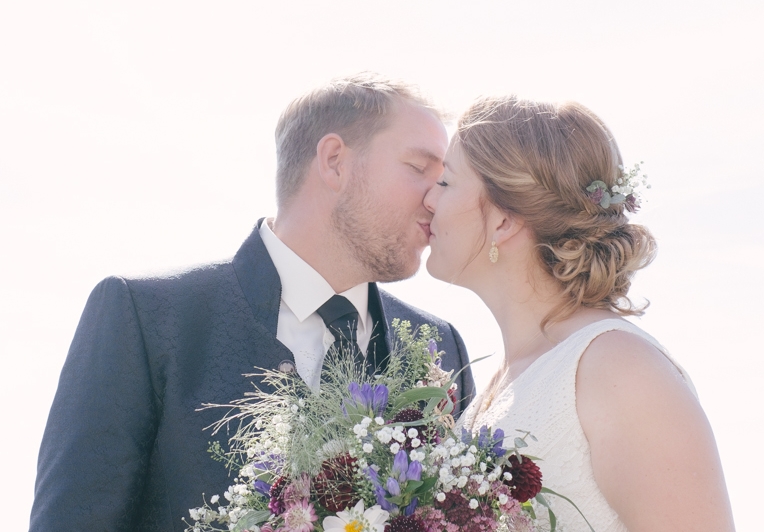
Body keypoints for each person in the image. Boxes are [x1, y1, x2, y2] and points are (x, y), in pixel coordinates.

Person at [30, 74, 474, 532]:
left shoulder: (443, 348)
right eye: (419, 169)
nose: (435, 198)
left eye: (443, 180)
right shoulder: (145, 318)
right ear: (335, 161)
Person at [424, 95, 735, 532]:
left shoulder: (619, 368)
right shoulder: (503, 379)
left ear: (503, 220)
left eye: (445, 182)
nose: (427, 200)